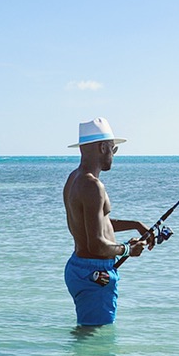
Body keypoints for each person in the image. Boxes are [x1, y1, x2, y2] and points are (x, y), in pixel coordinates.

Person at [63, 118, 152, 326]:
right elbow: (96, 244)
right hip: (95, 274)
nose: (113, 154)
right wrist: (128, 249)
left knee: (89, 336)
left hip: (79, 268)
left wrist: (136, 224)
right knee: (94, 342)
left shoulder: (73, 178)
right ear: (103, 147)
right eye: (113, 149)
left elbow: (95, 223)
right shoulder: (93, 186)